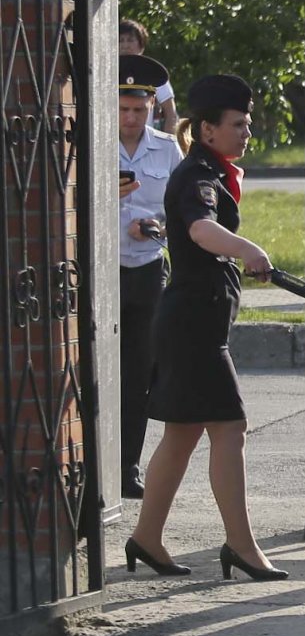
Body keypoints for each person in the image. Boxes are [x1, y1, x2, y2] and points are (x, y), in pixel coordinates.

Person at [127, 74, 287, 582]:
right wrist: (248, 249)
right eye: (238, 124)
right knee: (230, 428)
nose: (246, 133)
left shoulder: (211, 169)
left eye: (247, 124)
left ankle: (147, 538)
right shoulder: (196, 172)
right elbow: (198, 229)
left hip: (195, 321)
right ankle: (241, 546)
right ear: (209, 129)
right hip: (194, 328)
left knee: (183, 433)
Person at [116, 55, 184, 500]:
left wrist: (156, 226)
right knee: (97, 370)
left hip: (147, 270)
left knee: (139, 371)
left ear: (152, 108)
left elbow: (179, 207)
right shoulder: (88, 142)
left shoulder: (166, 147)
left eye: (138, 110)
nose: (130, 118)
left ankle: (127, 466)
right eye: (122, 109)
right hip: (103, 270)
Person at [119, 19, 178, 133]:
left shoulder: (153, 72)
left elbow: (170, 113)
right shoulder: (107, 73)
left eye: (130, 40)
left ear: (141, 46)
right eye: (121, 40)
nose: (125, 45)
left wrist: (166, 145)